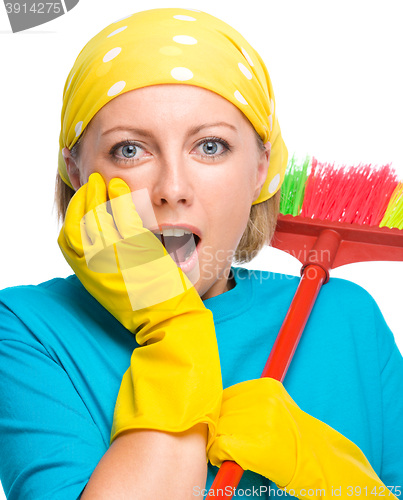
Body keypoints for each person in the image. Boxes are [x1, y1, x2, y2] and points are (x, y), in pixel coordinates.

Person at [0, 7, 402, 500]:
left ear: (261, 168)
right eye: (130, 150)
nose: (172, 187)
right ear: (78, 173)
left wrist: (343, 485)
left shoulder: (345, 318)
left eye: (210, 147)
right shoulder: (27, 328)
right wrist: (174, 330)